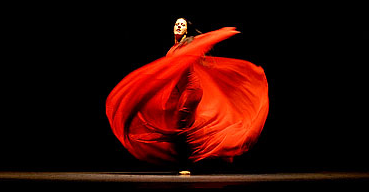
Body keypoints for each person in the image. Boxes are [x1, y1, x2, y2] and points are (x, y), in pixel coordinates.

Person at [106, 18, 269, 166]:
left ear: (186, 31)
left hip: (191, 91)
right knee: (180, 126)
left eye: (182, 25)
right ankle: (200, 158)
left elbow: (201, 43)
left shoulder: (188, 45)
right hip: (180, 91)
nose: (178, 26)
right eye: (176, 24)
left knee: (181, 126)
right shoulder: (174, 48)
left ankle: (186, 163)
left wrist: (220, 34)